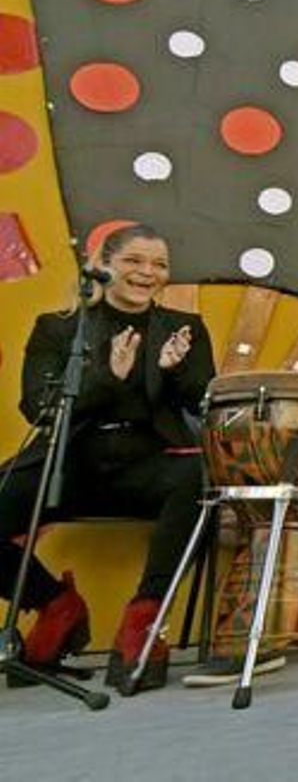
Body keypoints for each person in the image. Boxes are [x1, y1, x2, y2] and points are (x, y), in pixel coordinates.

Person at [0, 224, 212, 692]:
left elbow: (205, 404)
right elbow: (39, 406)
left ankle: (145, 617)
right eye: (134, 261)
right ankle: (55, 604)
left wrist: (173, 374)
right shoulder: (58, 328)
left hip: (148, 462)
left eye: (159, 264)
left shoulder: (185, 329)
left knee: (201, 479)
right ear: (105, 265)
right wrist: (106, 378)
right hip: (70, 462)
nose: (147, 272)